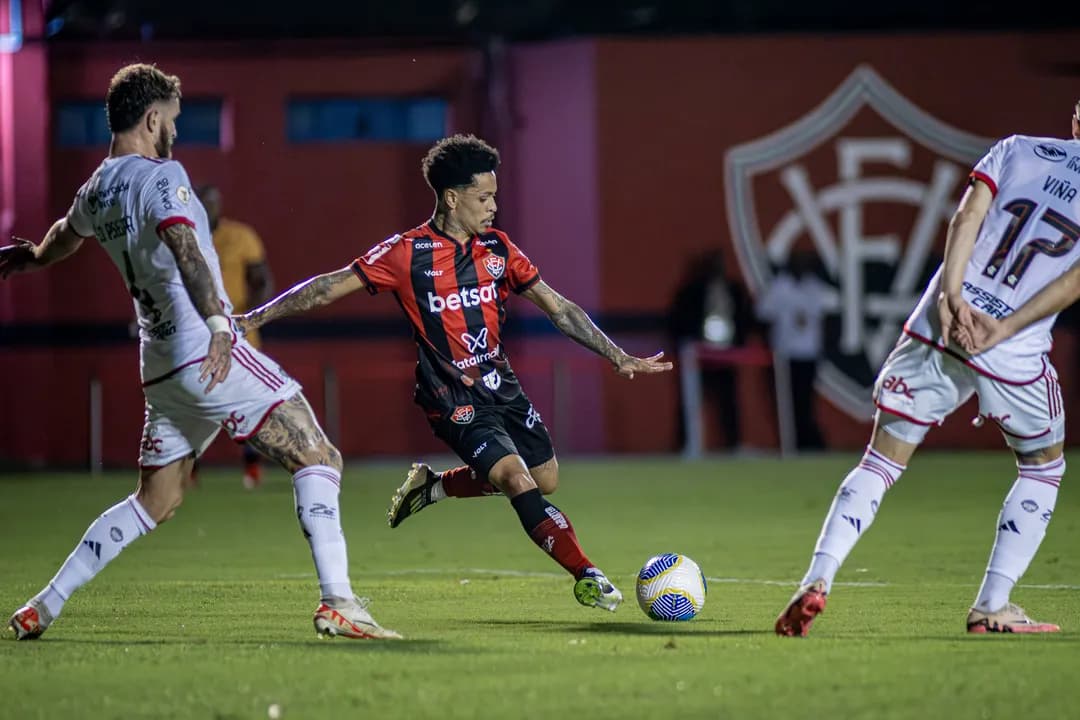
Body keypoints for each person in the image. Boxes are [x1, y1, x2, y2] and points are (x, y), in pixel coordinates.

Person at [0, 63, 399, 641]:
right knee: (318, 454)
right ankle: (338, 601)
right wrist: (218, 322)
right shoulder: (162, 177)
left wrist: (33, 256)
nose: (176, 133)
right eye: (174, 121)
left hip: (160, 368)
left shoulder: (99, 188)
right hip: (204, 350)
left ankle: (46, 601)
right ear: (152, 118)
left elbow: (65, 233)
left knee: (155, 501)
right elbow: (184, 245)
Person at [235, 134, 672, 612]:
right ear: (451, 197)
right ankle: (588, 574)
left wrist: (616, 354)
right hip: (449, 395)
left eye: (495, 196)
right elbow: (325, 289)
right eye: (484, 197)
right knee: (515, 480)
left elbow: (559, 307)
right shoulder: (407, 253)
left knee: (544, 479)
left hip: (500, 385)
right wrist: (252, 320)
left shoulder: (498, 249)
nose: (493, 207)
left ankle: (435, 486)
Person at [774, 117, 1080, 637]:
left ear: (1076, 119)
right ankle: (991, 605)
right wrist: (1003, 327)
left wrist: (951, 296)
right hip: (1009, 347)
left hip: (939, 325)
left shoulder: (1017, 149)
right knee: (1042, 469)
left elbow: (966, 217)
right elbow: (1074, 280)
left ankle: (817, 578)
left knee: (879, 462)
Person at [196, 184, 274, 489]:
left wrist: (249, 317)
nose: (209, 208)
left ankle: (252, 468)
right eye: (204, 203)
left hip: (241, 339)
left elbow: (262, 280)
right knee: (197, 404)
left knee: (248, 404)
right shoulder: (183, 239)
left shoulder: (240, 236)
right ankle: (188, 470)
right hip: (198, 338)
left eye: (213, 202)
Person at [667, 250, 753, 451]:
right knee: (690, 401)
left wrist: (738, 342)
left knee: (729, 401)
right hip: (698, 356)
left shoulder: (734, 289)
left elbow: (744, 317)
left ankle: (734, 444)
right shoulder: (691, 291)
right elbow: (677, 320)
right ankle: (686, 445)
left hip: (726, 354)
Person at [755, 250, 829, 451]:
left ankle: (809, 443)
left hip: (809, 353)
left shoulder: (815, 287)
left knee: (805, 402)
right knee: (786, 403)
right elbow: (763, 316)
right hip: (785, 355)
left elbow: (821, 319)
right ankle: (791, 443)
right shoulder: (779, 288)